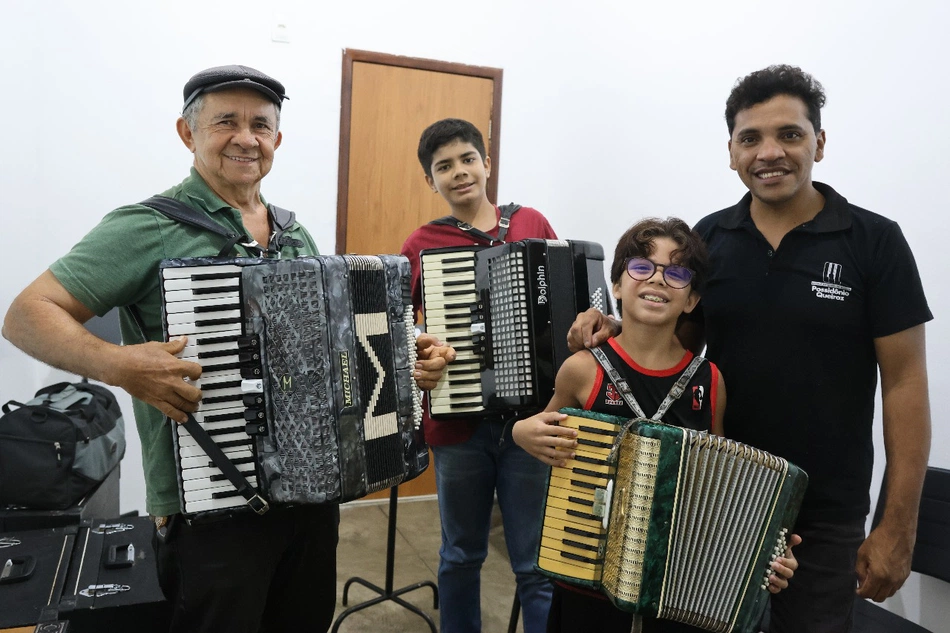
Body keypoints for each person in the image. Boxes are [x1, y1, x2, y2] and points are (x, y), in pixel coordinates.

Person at [2, 65, 453, 633]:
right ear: (187, 133)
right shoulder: (148, 226)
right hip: (211, 505)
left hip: (313, 496)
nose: (246, 138)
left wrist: (406, 358)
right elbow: (26, 314)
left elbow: (330, 349)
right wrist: (119, 365)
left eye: (260, 125)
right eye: (225, 122)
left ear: (277, 139)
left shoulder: (293, 234)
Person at [568, 65, 932, 633]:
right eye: (750, 138)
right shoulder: (709, 239)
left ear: (819, 143)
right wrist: (616, 326)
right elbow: (673, 354)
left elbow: (906, 383)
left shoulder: (874, 241)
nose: (769, 152)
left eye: (790, 134)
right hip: (711, 496)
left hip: (823, 511)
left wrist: (898, 526)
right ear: (732, 152)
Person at [513, 217, 799, 632]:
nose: (658, 278)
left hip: (677, 591)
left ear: (692, 299)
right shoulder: (582, 370)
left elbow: (722, 488)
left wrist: (765, 551)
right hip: (587, 575)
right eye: (642, 266)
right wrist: (522, 431)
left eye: (677, 273)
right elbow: (545, 434)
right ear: (616, 285)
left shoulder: (709, 381)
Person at [399, 118, 557, 633]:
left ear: (486, 164)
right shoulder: (421, 243)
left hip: (530, 424)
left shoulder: (530, 222)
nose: (459, 172)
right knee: (461, 554)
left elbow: (561, 297)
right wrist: (421, 349)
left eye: (468, 159)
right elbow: (399, 325)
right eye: (444, 166)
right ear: (431, 181)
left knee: (535, 563)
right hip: (458, 427)